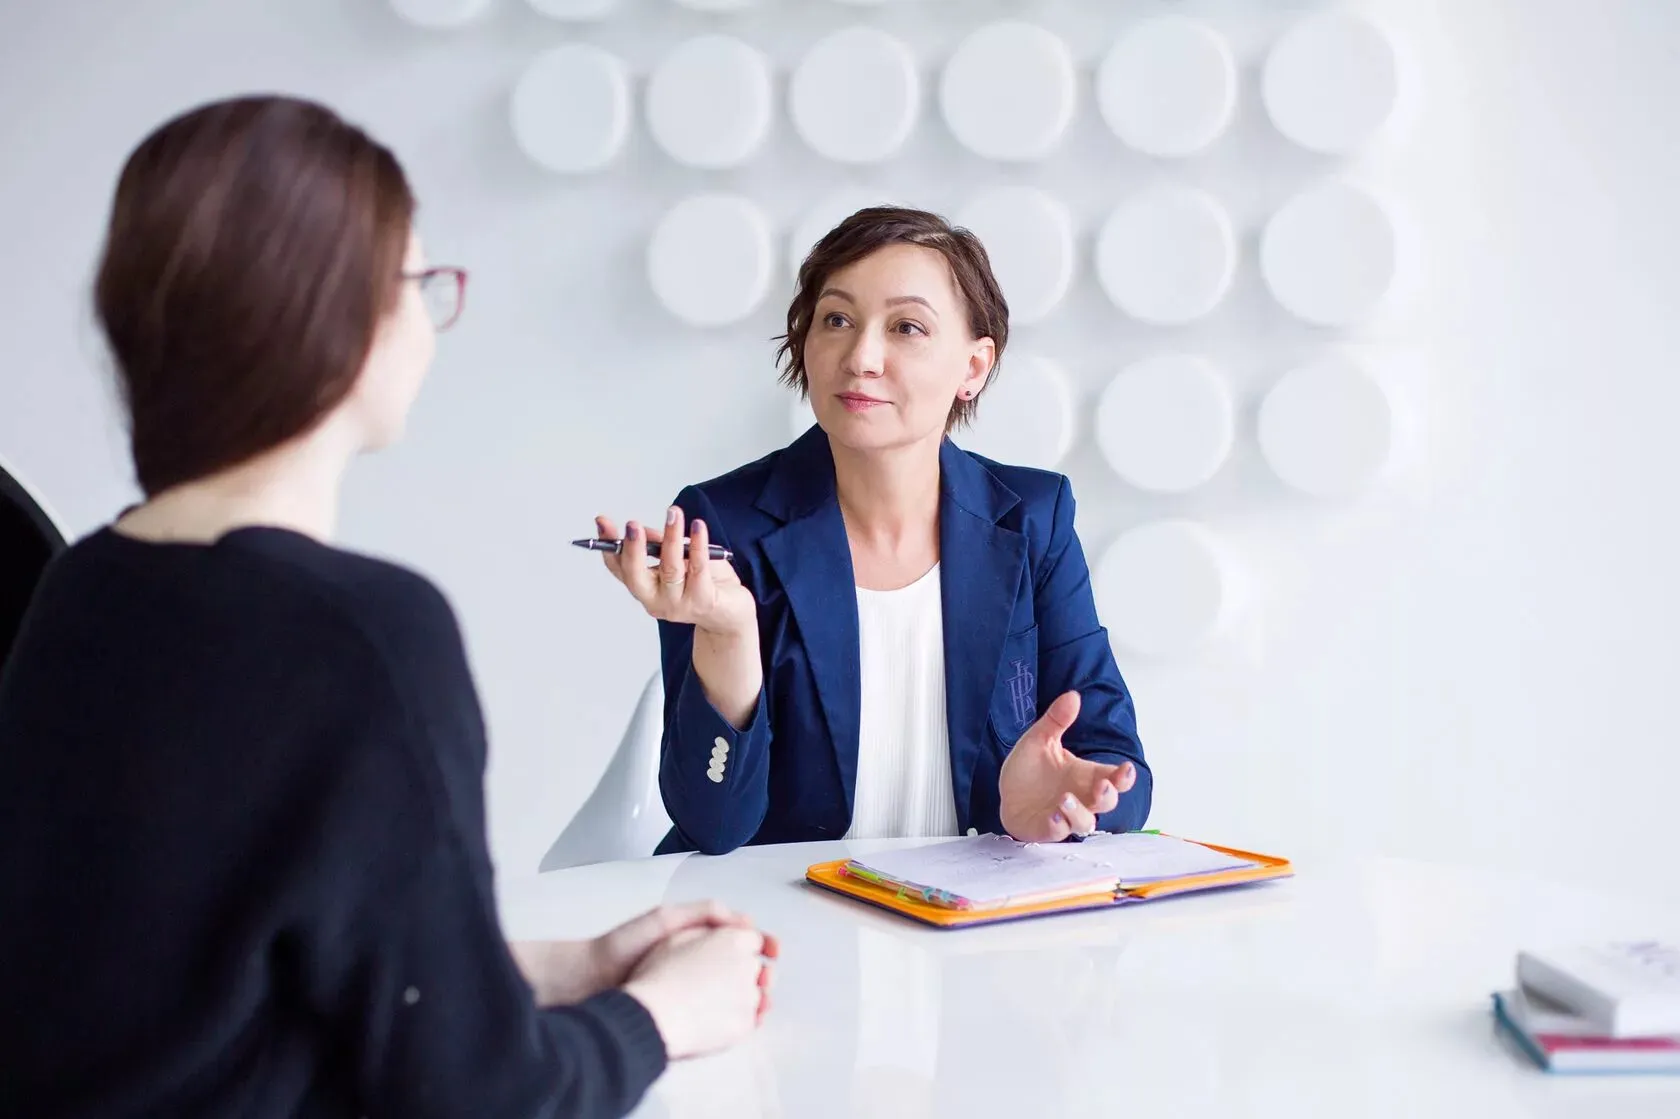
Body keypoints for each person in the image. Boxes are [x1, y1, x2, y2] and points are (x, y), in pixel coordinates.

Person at [0, 95, 773, 1119]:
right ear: (339, 320)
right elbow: (484, 1099)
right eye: (418, 281)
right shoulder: (365, 635)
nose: (427, 317)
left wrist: (570, 965)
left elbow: (218, 975)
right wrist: (667, 1016)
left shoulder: (80, 586)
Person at [597, 206, 1152, 856]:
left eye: (906, 327)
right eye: (836, 320)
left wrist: (1066, 797)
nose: (860, 357)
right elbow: (713, 825)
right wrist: (728, 634)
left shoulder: (1033, 517)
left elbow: (1120, 769)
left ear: (973, 367)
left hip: (971, 925)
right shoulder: (725, 525)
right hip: (786, 921)